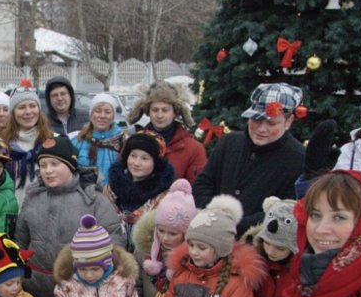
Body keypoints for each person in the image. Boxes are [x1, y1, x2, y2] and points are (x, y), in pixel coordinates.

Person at [14, 136, 124, 297]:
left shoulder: (94, 201)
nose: (48, 170)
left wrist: (93, 280)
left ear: (72, 166)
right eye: (43, 165)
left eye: (55, 164)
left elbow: (115, 247)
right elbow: (20, 244)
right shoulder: (32, 199)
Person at [193, 83, 306, 235]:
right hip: (211, 235)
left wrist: (237, 226)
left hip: (259, 246)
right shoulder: (228, 142)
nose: (261, 129)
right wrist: (213, 216)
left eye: (271, 123)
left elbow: (287, 208)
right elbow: (203, 183)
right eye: (256, 120)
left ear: (289, 121)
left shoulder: (299, 159)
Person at [104, 130, 176, 252]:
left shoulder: (164, 197)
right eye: (133, 156)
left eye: (145, 158)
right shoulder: (111, 188)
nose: (136, 163)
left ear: (156, 163)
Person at [128, 81, 206, 184]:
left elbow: (198, 188)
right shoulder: (133, 143)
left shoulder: (194, 149)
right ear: (148, 112)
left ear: (175, 112)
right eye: (155, 110)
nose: (159, 115)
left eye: (165, 110)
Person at [0, 88, 56, 206]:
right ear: (13, 112)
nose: (28, 112)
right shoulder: (0, 142)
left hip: (42, 212)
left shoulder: (52, 141)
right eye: (22, 107)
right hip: (7, 211)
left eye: (32, 106)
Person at [73, 93, 127, 186]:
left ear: (113, 116)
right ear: (91, 114)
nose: (102, 116)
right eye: (98, 111)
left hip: (113, 196)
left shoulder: (123, 142)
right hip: (84, 195)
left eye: (107, 112)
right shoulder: (77, 141)